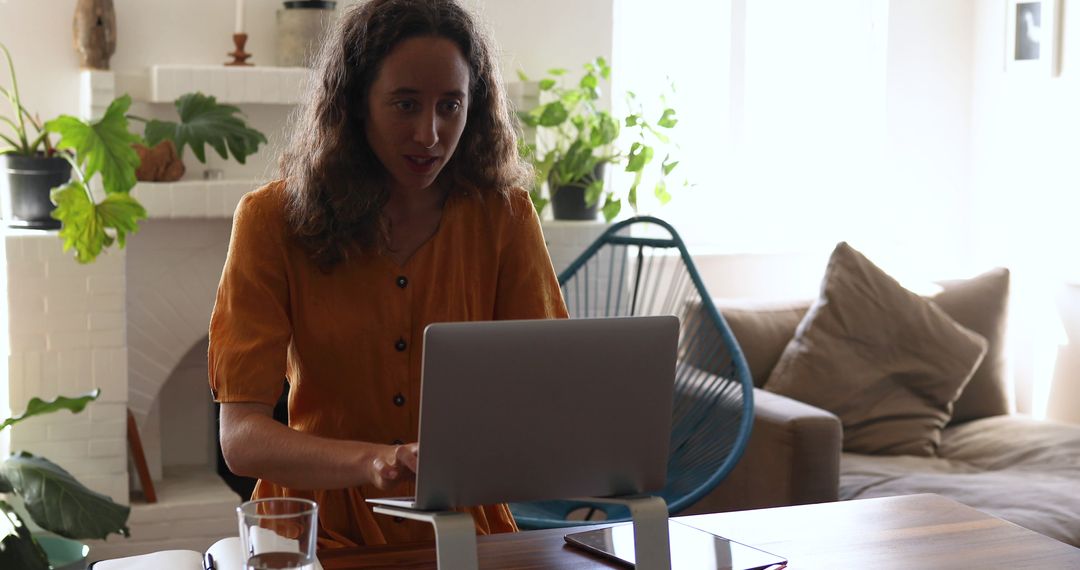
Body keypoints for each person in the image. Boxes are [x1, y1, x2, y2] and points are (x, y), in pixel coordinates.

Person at [207, 0, 567, 549]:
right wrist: (374, 461)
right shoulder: (270, 221)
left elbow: (546, 394)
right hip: (308, 531)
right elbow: (241, 439)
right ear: (355, 105)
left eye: (451, 105)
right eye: (405, 105)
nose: (430, 134)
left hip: (459, 528)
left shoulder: (506, 217)